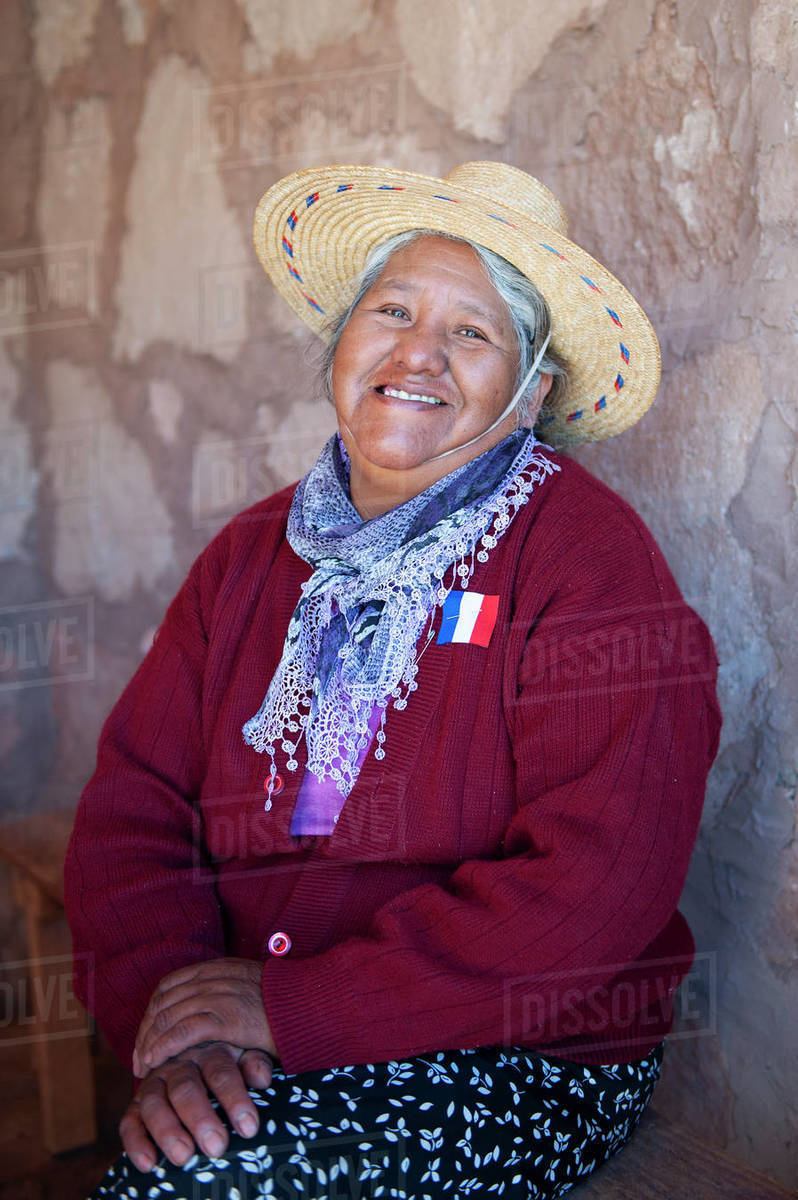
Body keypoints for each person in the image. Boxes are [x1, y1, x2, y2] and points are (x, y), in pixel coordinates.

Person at [66, 161, 721, 1200]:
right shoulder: (252, 554)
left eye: (472, 333)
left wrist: (293, 1011)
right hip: (250, 1038)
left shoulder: (586, 565)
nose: (418, 352)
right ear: (342, 344)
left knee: (192, 1185)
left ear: (530, 392)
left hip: (523, 1058)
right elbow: (134, 808)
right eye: (393, 310)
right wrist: (182, 1019)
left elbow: (598, 886)